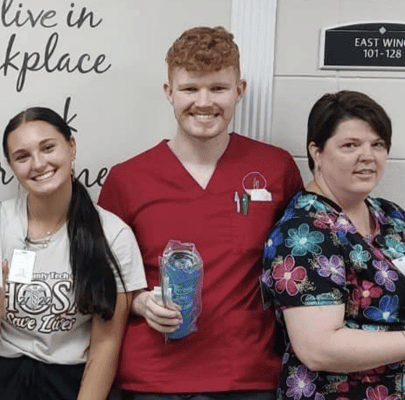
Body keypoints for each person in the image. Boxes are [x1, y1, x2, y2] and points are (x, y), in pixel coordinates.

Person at [97, 26, 304, 399]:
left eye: (218, 89)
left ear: (239, 91)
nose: (204, 102)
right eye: (190, 89)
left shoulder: (276, 168)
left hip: (245, 376)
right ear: (169, 93)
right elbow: (99, 277)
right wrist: (141, 301)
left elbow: (298, 266)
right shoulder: (126, 180)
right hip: (151, 379)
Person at [260, 90, 405, 400]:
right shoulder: (304, 232)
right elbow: (318, 348)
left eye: (378, 144)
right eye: (350, 145)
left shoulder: (393, 219)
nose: (368, 156)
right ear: (316, 152)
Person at [0, 106, 147, 400]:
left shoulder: (113, 234)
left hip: (69, 383)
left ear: (71, 147)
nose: (38, 163)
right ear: (11, 165)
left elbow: (106, 345)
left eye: (48, 148)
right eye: (22, 156)